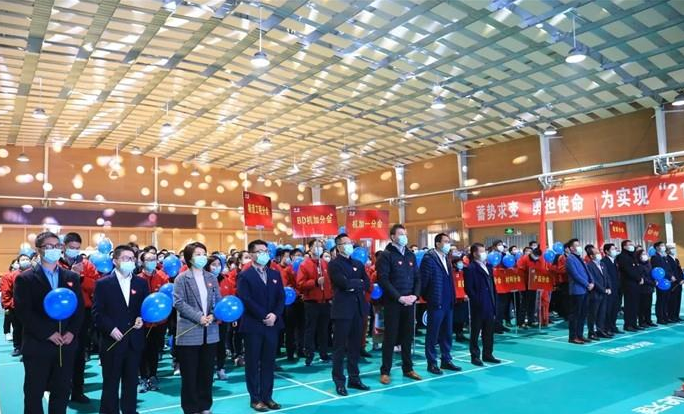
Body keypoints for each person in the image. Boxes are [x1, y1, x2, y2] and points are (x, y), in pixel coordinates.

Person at [14, 231, 85, 414]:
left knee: (62, 391)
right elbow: (24, 312)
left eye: (57, 246)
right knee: (34, 392)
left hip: (65, 345)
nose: (54, 249)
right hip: (38, 345)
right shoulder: (25, 278)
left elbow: (78, 309)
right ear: (39, 249)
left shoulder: (71, 277)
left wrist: (72, 332)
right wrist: (48, 333)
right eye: (49, 246)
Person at [93, 245, 149, 414]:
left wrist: (141, 319)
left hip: (134, 341)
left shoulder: (141, 283)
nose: (129, 261)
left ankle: (129, 410)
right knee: (110, 383)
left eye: (132, 258)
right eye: (125, 258)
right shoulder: (103, 284)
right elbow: (97, 312)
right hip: (112, 341)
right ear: (115, 261)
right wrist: (111, 329)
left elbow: (144, 308)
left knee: (131, 382)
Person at [173, 242, 222, 414]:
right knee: (189, 375)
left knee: (207, 373)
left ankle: (205, 406)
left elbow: (218, 301)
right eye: (198, 254)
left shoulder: (211, 278)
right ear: (189, 258)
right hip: (189, 332)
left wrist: (213, 315)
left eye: (204, 253)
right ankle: (191, 408)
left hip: (210, 331)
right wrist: (199, 317)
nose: (202, 257)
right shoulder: (181, 279)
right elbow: (179, 303)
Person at [237, 240, 285, 412]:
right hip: (253, 325)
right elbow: (246, 299)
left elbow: (281, 297)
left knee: (268, 362)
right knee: (252, 363)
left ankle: (267, 396)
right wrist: (264, 315)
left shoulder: (274, 274)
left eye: (265, 251)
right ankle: (255, 398)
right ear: (251, 254)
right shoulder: (245, 275)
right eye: (259, 251)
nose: (264, 254)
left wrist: (275, 315)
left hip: (272, 324)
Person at [376, 224, 422, 385]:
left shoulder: (410, 255)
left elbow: (417, 277)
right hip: (393, 303)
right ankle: (385, 371)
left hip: (410, 302)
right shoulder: (386, 255)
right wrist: (399, 297)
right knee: (390, 337)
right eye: (401, 234)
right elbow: (383, 280)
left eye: (405, 234)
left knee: (407, 337)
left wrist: (415, 296)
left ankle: (408, 368)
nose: (404, 236)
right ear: (393, 236)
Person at [58, 231, 100, 404]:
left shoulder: (87, 264)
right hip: (59, 315)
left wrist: (80, 277)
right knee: (60, 354)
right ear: (63, 247)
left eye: (77, 248)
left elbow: (96, 285)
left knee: (79, 353)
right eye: (71, 247)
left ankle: (77, 391)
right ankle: (60, 390)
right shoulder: (55, 264)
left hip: (82, 314)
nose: (74, 250)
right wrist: (69, 274)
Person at [328, 233, 371, 395]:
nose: (349, 246)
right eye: (345, 243)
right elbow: (343, 283)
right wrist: (355, 283)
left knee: (355, 346)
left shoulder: (358, 264)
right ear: (338, 247)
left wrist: (355, 284)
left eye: (350, 242)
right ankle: (339, 381)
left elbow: (366, 283)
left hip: (358, 310)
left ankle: (354, 378)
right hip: (342, 311)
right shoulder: (334, 264)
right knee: (339, 348)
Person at [420, 233, 460, 375]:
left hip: (448, 301)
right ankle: (431, 362)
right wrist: (429, 298)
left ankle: (446, 359)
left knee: (447, 333)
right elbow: (424, 281)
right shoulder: (429, 258)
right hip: (436, 301)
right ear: (437, 243)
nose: (448, 244)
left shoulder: (446, 258)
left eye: (449, 241)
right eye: (446, 241)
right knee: (433, 334)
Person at [296, 239, 333, 366]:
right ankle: (309, 354)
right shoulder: (304, 265)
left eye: (321, 246)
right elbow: (300, 284)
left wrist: (330, 296)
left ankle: (324, 353)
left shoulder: (325, 264)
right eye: (316, 246)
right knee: (310, 330)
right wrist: (315, 282)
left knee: (324, 329)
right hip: (311, 302)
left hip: (325, 302)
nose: (319, 248)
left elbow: (330, 283)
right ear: (310, 248)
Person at [138, 249, 170, 392]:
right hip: (142, 323)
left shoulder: (162, 278)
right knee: (142, 350)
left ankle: (153, 376)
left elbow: (167, 297)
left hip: (159, 322)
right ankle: (142, 377)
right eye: (148, 260)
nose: (152, 262)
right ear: (142, 262)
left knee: (154, 350)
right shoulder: (137, 279)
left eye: (154, 259)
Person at [464, 243, 499, 366]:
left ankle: (488, 354)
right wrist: (476, 300)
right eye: (482, 251)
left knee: (488, 331)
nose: (485, 254)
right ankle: (475, 356)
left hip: (490, 302)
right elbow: (468, 288)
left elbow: (492, 285)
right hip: (478, 305)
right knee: (475, 332)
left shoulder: (488, 266)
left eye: (485, 251)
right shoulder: (470, 268)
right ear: (475, 254)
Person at [565, 239, 593, 344]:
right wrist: (587, 284)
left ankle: (580, 335)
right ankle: (573, 337)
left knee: (583, 314)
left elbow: (587, 272)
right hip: (577, 290)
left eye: (579, 245)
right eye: (577, 245)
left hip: (585, 290)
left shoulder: (580, 258)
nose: (579, 247)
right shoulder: (570, 259)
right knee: (575, 315)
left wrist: (592, 282)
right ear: (571, 248)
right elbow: (575, 275)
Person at [2, 253, 30, 357]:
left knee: (29, 329)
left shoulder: (35, 273)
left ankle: (28, 349)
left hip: (31, 307)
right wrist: (8, 305)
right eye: (23, 259)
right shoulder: (11, 276)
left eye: (27, 259)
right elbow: (6, 292)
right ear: (18, 263)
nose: (25, 261)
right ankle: (18, 347)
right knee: (17, 328)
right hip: (16, 307)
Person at [585, 245, 612, 340]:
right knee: (593, 314)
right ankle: (591, 332)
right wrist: (603, 290)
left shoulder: (602, 264)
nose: (599, 254)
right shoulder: (589, 266)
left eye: (599, 252)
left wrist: (609, 287)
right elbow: (593, 280)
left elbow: (607, 277)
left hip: (604, 293)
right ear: (591, 256)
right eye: (596, 253)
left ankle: (600, 330)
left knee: (602, 313)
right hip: (595, 294)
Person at [617, 240, 643, 332]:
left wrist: (640, 277)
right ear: (624, 246)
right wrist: (638, 278)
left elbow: (637, 268)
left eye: (632, 244)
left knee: (635, 304)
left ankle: (634, 323)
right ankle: (628, 324)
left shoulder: (633, 256)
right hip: (628, 283)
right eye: (630, 244)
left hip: (636, 283)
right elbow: (628, 270)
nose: (632, 246)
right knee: (629, 305)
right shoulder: (622, 257)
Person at [601, 244, 623, 334]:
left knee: (615, 308)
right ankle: (606, 328)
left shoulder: (615, 261)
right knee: (608, 309)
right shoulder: (604, 261)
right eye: (613, 249)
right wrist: (608, 287)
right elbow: (605, 276)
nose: (615, 250)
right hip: (610, 289)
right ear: (606, 251)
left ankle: (613, 326)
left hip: (617, 288)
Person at [651, 241, 674, 324]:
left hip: (667, 281)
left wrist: (671, 276)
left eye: (664, 245)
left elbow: (668, 268)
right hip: (660, 281)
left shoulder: (664, 257)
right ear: (657, 247)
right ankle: (660, 318)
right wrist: (669, 276)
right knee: (661, 300)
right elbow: (660, 269)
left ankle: (665, 316)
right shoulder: (655, 257)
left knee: (666, 300)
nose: (663, 247)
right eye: (662, 245)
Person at [637, 249, 657, 328]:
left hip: (649, 288)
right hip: (642, 289)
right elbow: (643, 278)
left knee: (648, 306)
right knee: (642, 306)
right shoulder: (639, 265)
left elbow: (652, 274)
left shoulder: (649, 264)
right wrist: (652, 283)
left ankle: (648, 320)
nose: (645, 255)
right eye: (642, 254)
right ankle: (642, 321)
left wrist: (654, 281)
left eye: (645, 254)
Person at [666, 244, 683, 322]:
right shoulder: (667, 259)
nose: (674, 249)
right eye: (671, 248)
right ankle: (671, 316)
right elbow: (671, 271)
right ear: (668, 250)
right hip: (673, 283)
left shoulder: (676, 259)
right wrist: (678, 280)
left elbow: (679, 270)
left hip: (679, 283)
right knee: (673, 300)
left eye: (674, 248)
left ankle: (676, 315)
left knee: (678, 300)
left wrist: (682, 279)